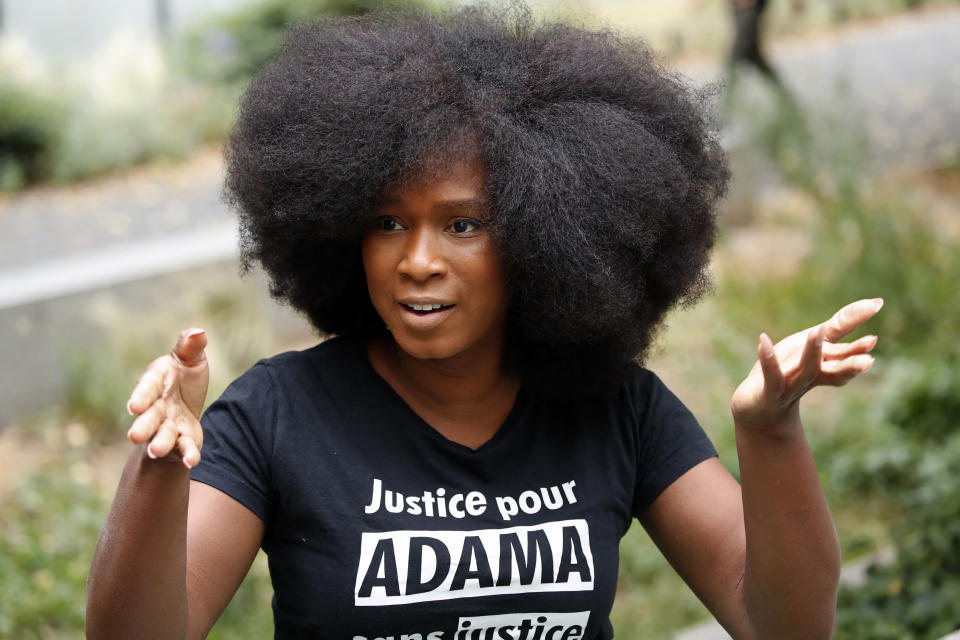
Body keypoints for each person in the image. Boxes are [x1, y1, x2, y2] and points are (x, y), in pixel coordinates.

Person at [85, 4, 881, 639]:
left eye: (463, 225)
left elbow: (787, 625)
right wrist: (158, 465)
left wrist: (771, 432)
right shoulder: (278, 416)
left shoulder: (616, 410)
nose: (417, 260)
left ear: (546, 237)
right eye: (388, 223)